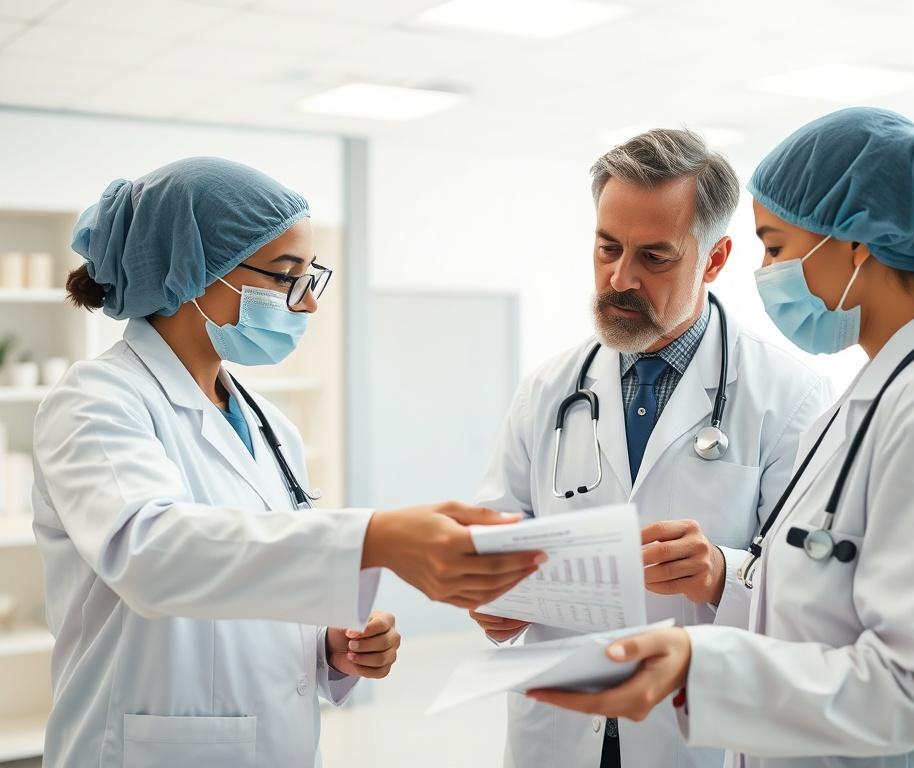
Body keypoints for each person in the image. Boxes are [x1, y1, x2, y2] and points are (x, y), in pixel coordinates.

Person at [527, 107, 914, 768]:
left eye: (777, 246)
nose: (765, 273)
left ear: (856, 241)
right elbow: (810, 592)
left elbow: (907, 688)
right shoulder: (882, 390)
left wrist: (696, 663)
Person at [32, 157, 543, 767]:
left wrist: (327, 648)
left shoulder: (270, 425)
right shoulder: (96, 401)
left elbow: (249, 575)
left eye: (310, 277)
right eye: (283, 276)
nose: (305, 305)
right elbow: (152, 553)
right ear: (192, 272)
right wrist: (375, 537)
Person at [470, 129, 833, 768]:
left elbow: (817, 592)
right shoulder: (550, 388)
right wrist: (491, 598)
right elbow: (501, 531)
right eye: (607, 248)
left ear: (715, 260)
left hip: (694, 730)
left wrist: (722, 573)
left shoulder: (791, 395)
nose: (620, 278)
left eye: (654, 258)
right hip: (560, 724)